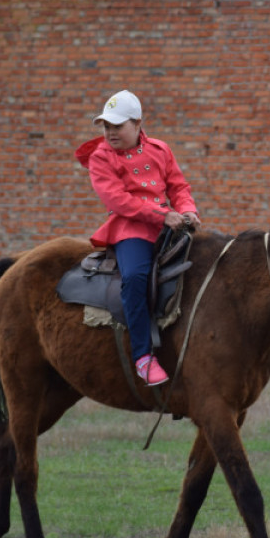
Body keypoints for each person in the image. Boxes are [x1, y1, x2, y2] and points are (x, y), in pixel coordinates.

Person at [75, 90, 201, 386]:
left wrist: (188, 210)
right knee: (134, 278)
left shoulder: (160, 149)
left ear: (137, 123)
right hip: (130, 229)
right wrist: (161, 216)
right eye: (106, 126)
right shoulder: (100, 157)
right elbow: (118, 200)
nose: (110, 132)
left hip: (170, 226)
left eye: (117, 126)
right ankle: (143, 357)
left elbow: (179, 187)